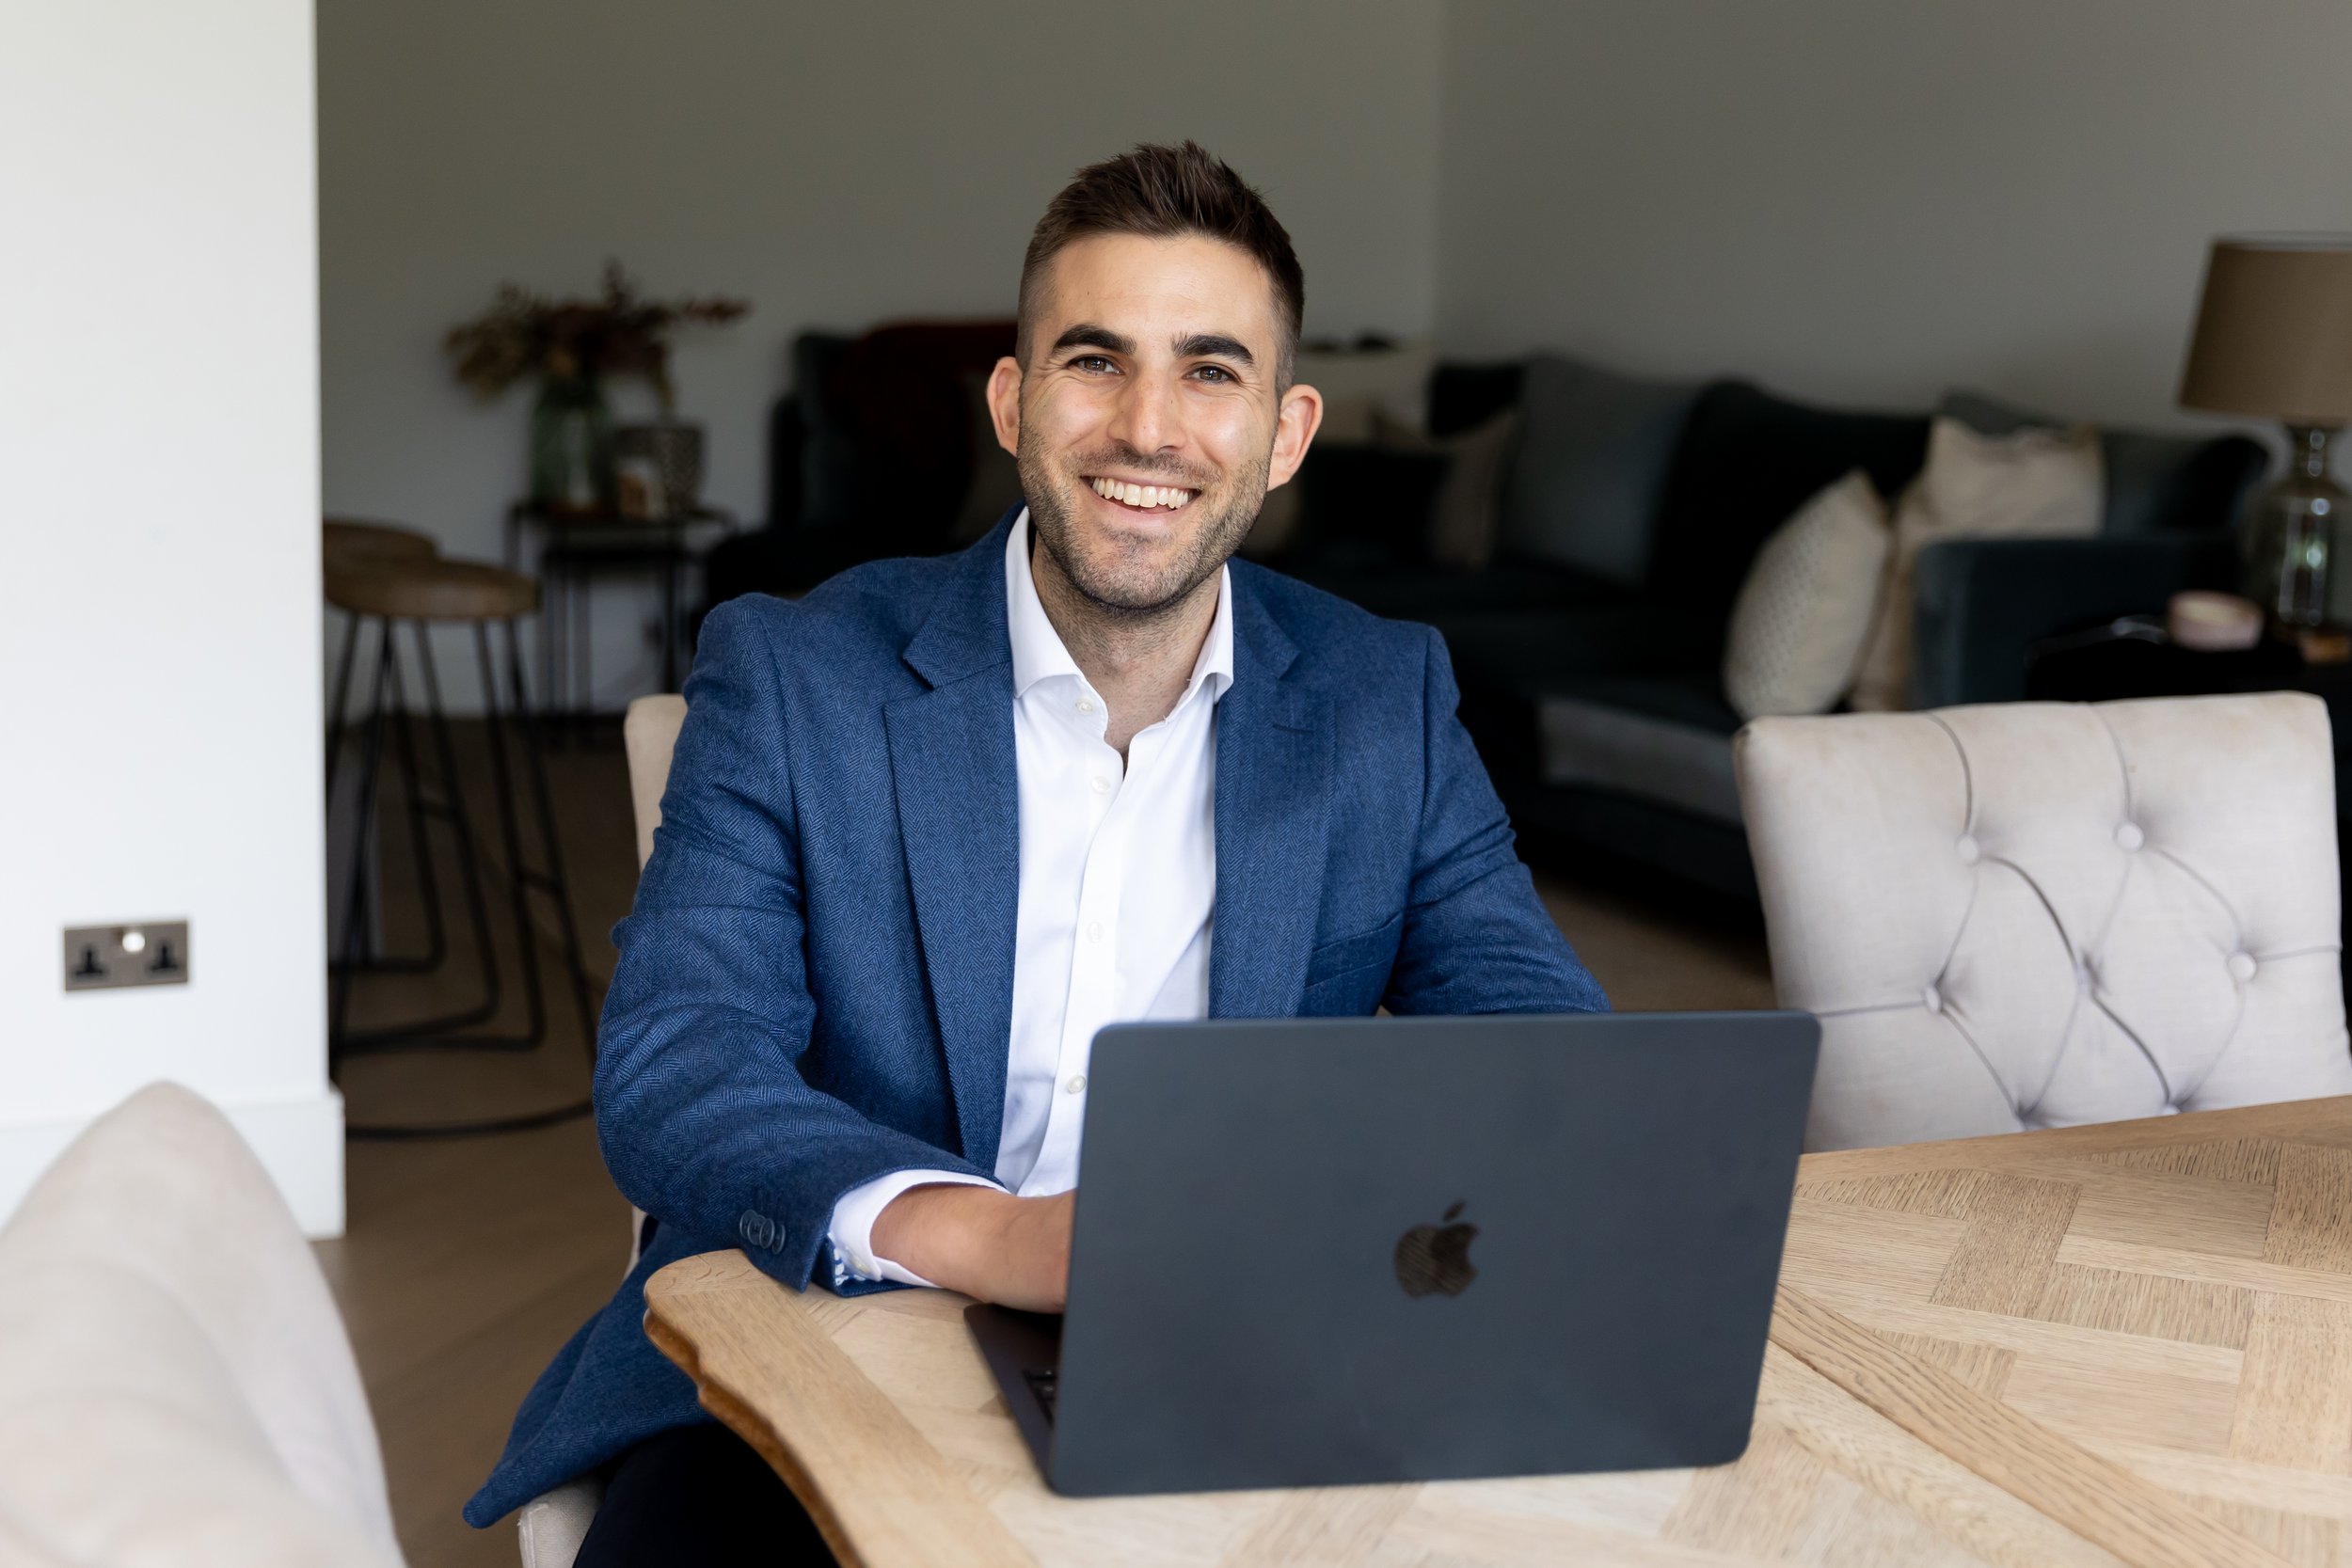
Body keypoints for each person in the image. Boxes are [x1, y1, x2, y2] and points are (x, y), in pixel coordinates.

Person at [467, 140, 1607, 1563]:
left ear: (1286, 433)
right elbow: (677, 1068)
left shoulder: (1386, 698)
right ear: (1013, 403)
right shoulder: (794, 670)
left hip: (1248, 1347)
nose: (1149, 428)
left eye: (1210, 370)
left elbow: (1545, 1048)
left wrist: (1341, 1225)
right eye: (1094, 361)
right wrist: (1000, 1241)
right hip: (835, 1322)